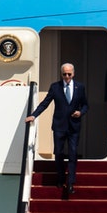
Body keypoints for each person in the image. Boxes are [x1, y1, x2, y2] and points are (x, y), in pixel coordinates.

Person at [25, 63, 88, 198]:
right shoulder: (55, 87)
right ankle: (60, 178)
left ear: (73, 74)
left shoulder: (80, 87)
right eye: (64, 74)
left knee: (72, 153)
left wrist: (80, 112)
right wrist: (34, 115)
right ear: (61, 74)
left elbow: (86, 105)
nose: (66, 77)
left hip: (74, 126)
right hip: (59, 126)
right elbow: (45, 103)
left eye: (69, 74)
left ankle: (70, 182)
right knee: (58, 153)